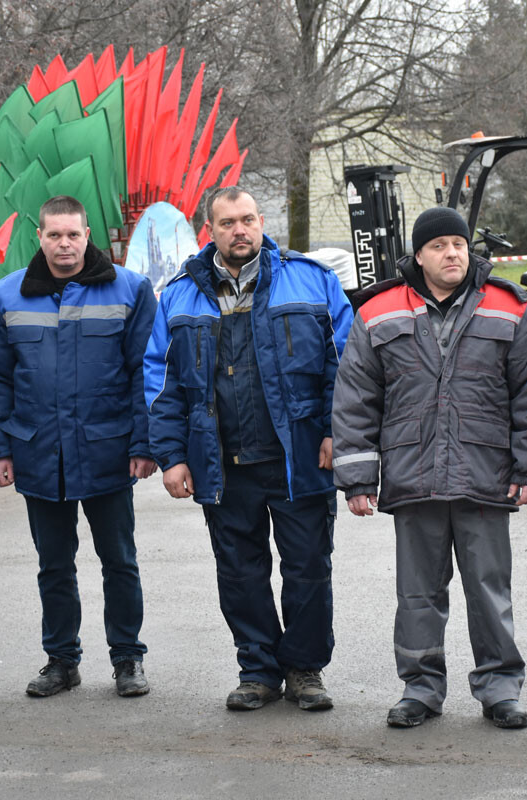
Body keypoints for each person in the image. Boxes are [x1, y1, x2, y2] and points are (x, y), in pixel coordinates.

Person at [332, 207, 527, 730]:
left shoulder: (509, 307)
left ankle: (500, 689)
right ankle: (420, 689)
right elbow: (356, 397)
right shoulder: (378, 311)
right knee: (417, 596)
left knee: (489, 592)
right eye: (439, 246)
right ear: (418, 255)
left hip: (485, 475)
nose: (452, 253)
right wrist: (358, 477)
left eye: (458, 244)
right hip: (414, 474)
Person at [146, 187, 352, 712]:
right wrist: (172, 456)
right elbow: (162, 384)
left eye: (247, 220)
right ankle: (258, 670)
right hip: (221, 461)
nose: (239, 230)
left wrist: (338, 432)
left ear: (261, 221)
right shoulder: (178, 296)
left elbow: (345, 366)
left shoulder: (312, 280)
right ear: (210, 230)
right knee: (240, 573)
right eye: (227, 223)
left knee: (308, 569)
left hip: (298, 456)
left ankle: (304, 670)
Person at [0, 195, 157, 698]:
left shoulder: (130, 289)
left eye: (73, 234)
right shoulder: (7, 295)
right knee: (54, 566)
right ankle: (61, 661)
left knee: (120, 562)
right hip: (40, 456)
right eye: (54, 235)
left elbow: (145, 373)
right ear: (39, 237)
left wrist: (144, 443)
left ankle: (127, 659)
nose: (64, 244)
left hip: (108, 453)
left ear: (87, 235)